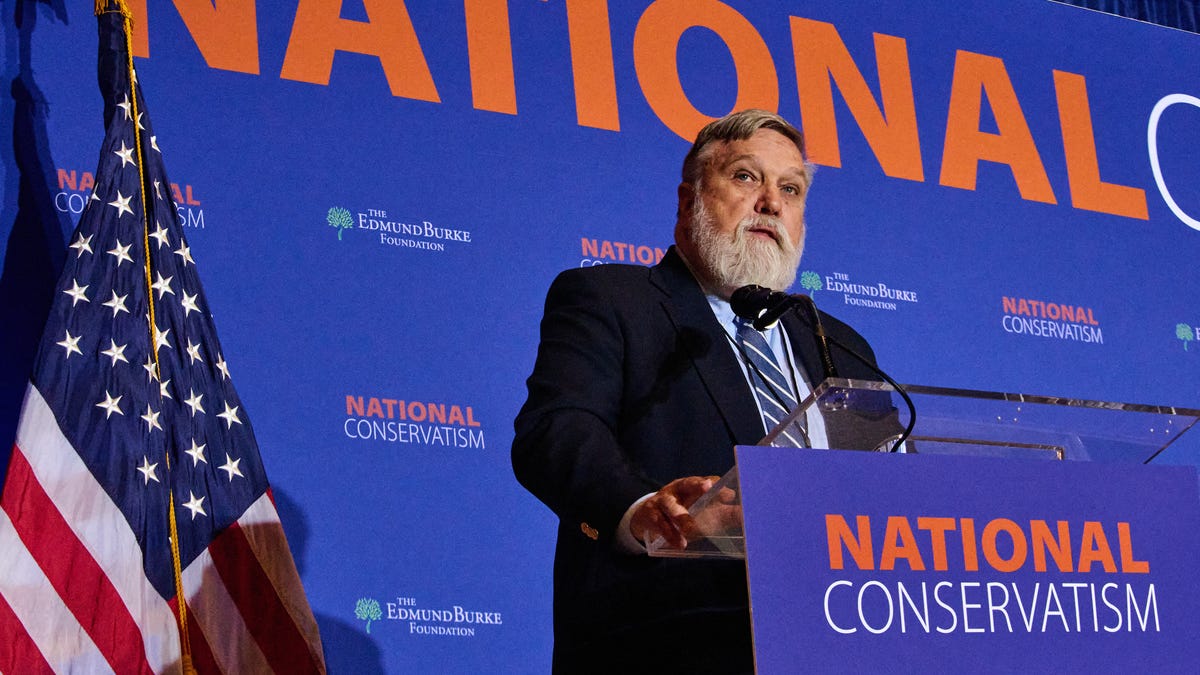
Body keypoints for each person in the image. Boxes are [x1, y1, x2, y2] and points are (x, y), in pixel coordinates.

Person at [512, 109, 886, 673]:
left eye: (790, 188)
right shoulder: (611, 300)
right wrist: (646, 514)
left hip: (839, 638)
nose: (771, 203)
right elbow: (557, 430)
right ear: (688, 200)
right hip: (671, 639)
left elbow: (887, 484)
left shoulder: (839, 343)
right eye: (745, 177)